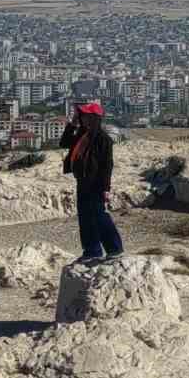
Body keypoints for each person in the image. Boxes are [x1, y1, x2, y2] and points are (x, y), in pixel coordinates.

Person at [60, 102, 123, 261]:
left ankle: (114, 249)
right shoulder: (82, 135)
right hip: (82, 181)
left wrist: (106, 188)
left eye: (87, 116)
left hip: (96, 183)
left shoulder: (103, 139)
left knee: (100, 216)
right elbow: (64, 143)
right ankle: (92, 251)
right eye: (83, 116)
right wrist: (73, 123)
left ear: (95, 118)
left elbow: (107, 165)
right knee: (85, 217)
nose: (84, 119)